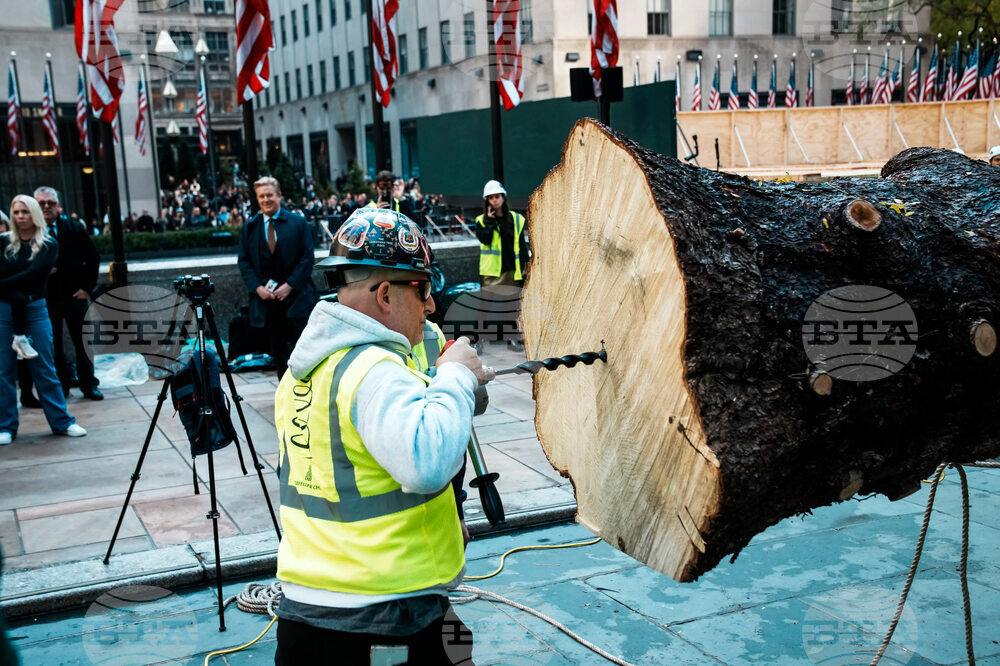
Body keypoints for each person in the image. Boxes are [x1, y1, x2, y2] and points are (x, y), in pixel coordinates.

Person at [273, 207, 483, 662]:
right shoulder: (374, 371)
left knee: (458, 642)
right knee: (457, 650)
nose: (430, 305)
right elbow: (426, 462)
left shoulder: (303, 372)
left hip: (305, 612)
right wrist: (456, 379)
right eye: (423, 289)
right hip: (383, 614)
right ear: (386, 294)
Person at [0, 196, 87, 446]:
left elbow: (34, 276)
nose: (20, 216)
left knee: (44, 367)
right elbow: (26, 277)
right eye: (16, 212)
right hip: (4, 311)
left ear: (34, 214)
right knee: (3, 370)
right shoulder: (4, 242)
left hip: (36, 309)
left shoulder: (48, 243)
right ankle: (5, 425)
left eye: (25, 211)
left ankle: (62, 421)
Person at [20, 187, 102, 404]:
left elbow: (93, 257)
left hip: (76, 296)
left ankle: (88, 385)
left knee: (83, 343)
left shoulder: (74, 228)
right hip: (44, 300)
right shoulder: (28, 232)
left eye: (50, 203)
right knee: (52, 346)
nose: (46, 207)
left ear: (58, 206)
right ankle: (62, 386)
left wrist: (87, 288)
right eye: (42, 203)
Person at [237, 176, 319, 376]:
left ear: (279, 196)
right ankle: (285, 392)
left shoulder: (298, 223)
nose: (266, 200)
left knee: (305, 350)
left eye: (270, 195)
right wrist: (257, 288)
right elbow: (244, 261)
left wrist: (290, 285)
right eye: (261, 196)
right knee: (278, 351)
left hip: (298, 299)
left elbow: (307, 257)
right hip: (268, 302)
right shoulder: (250, 227)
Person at [475, 180, 528, 288]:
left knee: (510, 304)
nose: (494, 200)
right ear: (487, 201)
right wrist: (490, 221)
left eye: (497, 196)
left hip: (512, 271)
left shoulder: (516, 219)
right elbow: (485, 239)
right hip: (490, 273)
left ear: (503, 197)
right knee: (489, 305)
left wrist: (526, 266)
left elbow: (522, 245)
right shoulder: (481, 220)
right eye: (491, 197)